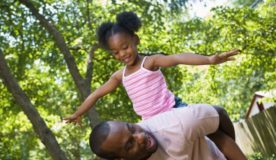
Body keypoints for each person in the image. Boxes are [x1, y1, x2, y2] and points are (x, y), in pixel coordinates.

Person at [65, 11, 240, 159]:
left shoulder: (150, 62)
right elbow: (96, 94)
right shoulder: (120, 75)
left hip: (173, 110)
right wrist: (78, 113)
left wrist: (209, 59)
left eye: (125, 47)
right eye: (116, 52)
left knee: (214, 132)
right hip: (150, 124)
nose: (122, 54)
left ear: (136, 40)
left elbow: (178, 58)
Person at [89, 104, 246, 160]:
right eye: (130, 144)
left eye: (132, 128)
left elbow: (219, 114)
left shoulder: (180, 123)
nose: (140, 137)